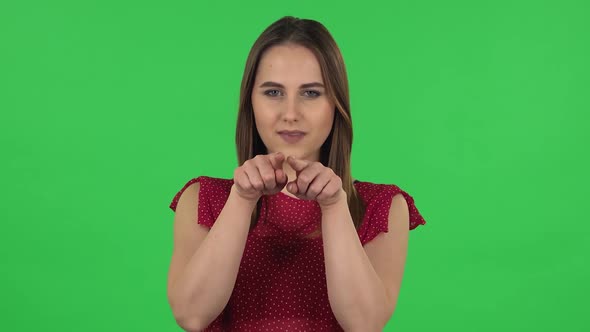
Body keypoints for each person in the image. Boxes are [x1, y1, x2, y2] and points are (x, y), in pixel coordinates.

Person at [166, 16, 427, 332]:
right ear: (250, 101)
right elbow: (192, 316)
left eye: (312, 93)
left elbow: (364, 323)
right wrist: (242, 198)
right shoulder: (204, 199)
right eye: (273, 92)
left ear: (336, 104)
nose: (290, 114)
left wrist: (333, 207)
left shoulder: (382, 206)